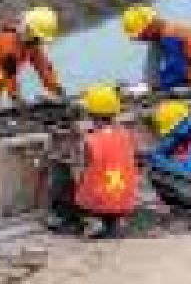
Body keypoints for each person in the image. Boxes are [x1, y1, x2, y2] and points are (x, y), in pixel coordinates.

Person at [47, 83, 140, 239]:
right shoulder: (126, 135)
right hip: (124, 202)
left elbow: (78, 170)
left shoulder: (90, 141)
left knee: (61, 168)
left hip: (96, 203)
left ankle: (70, 219)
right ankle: (113, 221)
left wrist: (57, 156)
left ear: (91, 114)